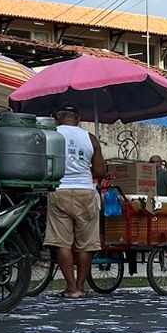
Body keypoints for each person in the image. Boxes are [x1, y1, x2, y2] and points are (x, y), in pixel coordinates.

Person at [46, 105, 106, 300]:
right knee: (86, 244)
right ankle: (81, 286)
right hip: (85, 193)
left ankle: (71, 288)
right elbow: (99, 172)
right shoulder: (91, 138)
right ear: (78, 119)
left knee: (62, 243)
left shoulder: (51, 134)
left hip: (59, 191)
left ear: (58, 118)